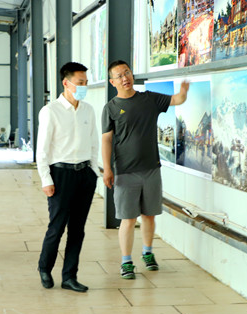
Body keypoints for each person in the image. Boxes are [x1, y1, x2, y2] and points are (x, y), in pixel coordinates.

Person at [101, 60, 189, 279]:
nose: (125, 78)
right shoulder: (111, 108)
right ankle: (126, 262)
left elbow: (177, 99)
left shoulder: (149, 99)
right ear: (113, 82)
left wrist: (184, 88)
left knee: (149, 215)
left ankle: (147, 253)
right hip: (124, 171)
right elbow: (106, 140)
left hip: (151, 169)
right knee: (128, 219)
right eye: (119, 76)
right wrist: (107, 169)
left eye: (127, 72)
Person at [36, 62, 99, 293]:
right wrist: (46, 179)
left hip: (84, 175)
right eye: (80, 83)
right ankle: (45, 268)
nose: (84, 87)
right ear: (66, 83)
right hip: (60, 174)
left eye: (86, 83)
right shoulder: (50, 111)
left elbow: (93, 143)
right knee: (57, 226)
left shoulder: (88, 110)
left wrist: (94, 172)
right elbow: (42, 150)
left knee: (77, 229)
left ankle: (70, 276)